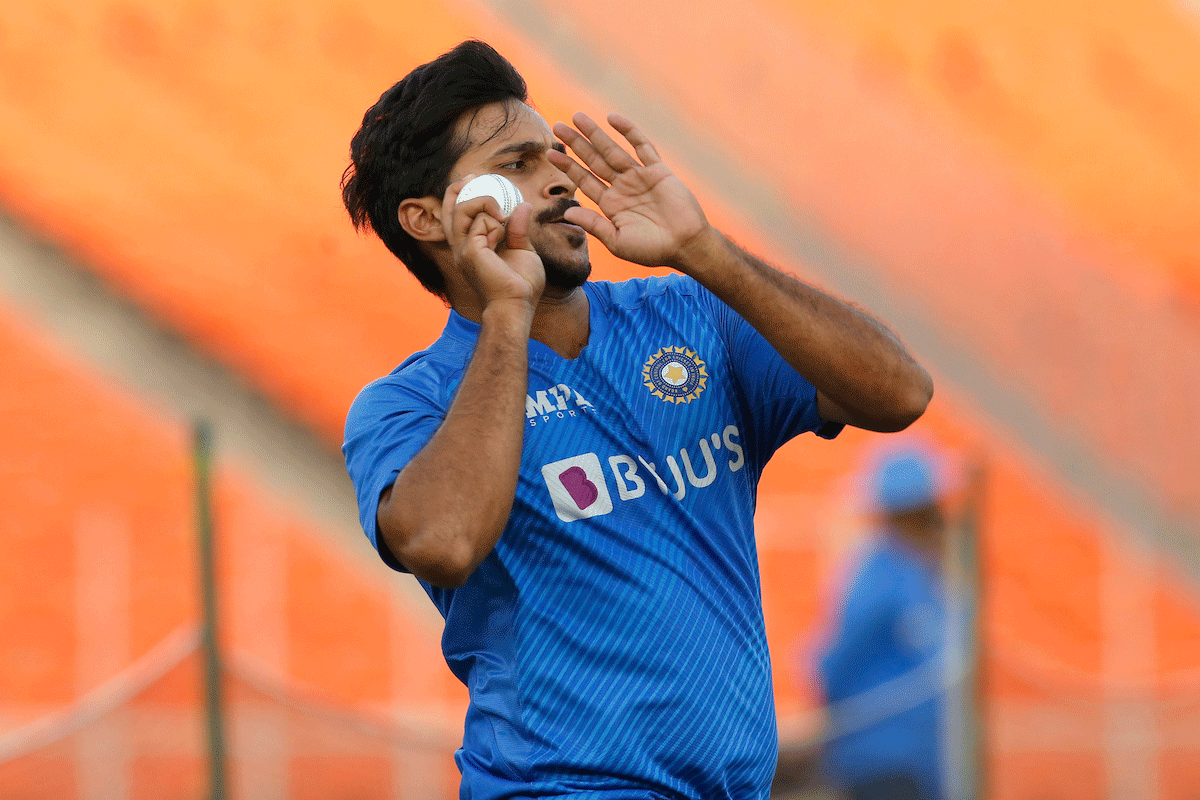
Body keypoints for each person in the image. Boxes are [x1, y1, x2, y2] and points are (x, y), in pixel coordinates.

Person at [340, 39, 933, 800]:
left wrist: (704, 250)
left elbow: (900, 394)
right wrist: (509, 311)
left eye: (551, 153)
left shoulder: (692, 315)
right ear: (430, 219)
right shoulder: (408, 403)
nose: (559, 177)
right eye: (517, 165)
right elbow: (445, 541)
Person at [814, 444, 955, 800]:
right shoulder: (880, 576)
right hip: (879, 761)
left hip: (922, 760)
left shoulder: (924, 574)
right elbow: (835, 662)